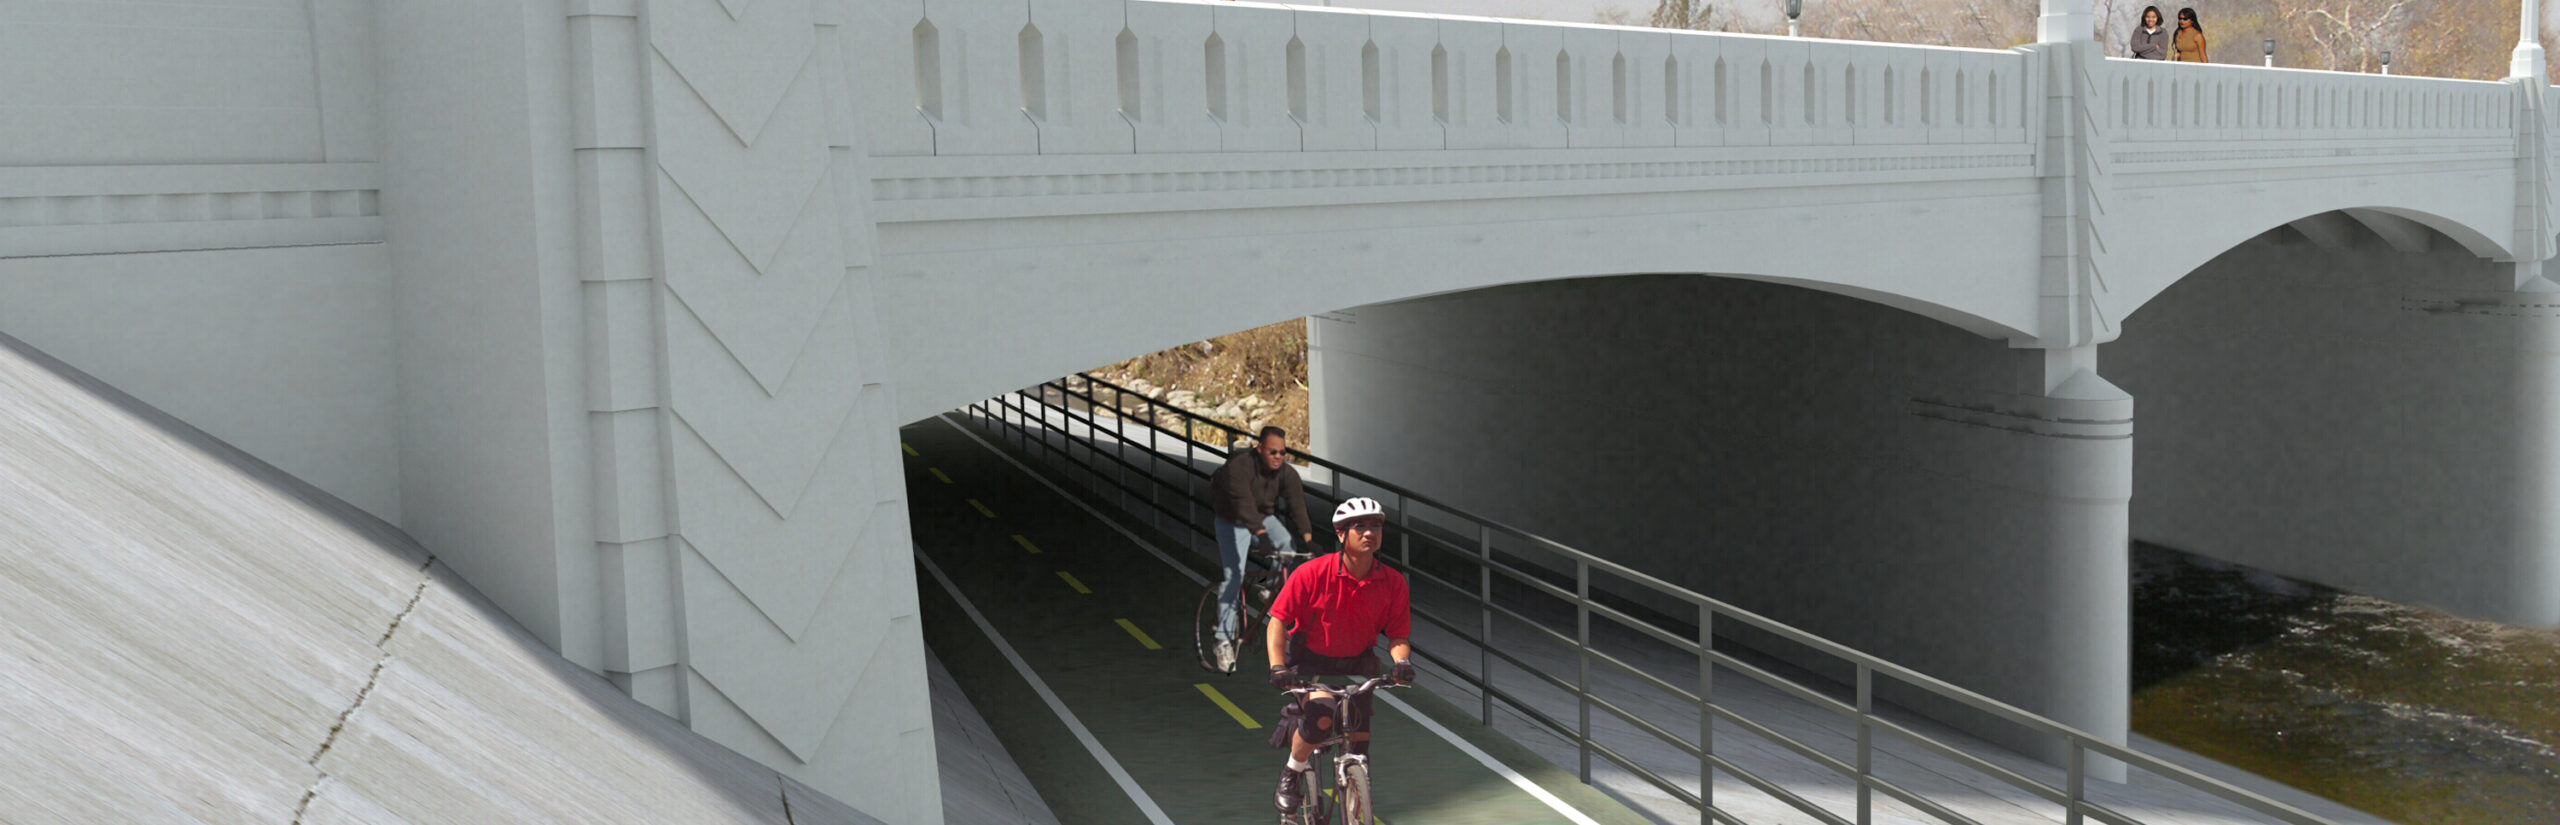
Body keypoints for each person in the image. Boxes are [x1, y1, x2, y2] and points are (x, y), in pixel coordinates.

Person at [1266, 497, 1414, 816]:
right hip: (1310, 661)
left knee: (1359, 738)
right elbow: (1278, 620)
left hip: (1358, 661)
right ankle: (1292, 771)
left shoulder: (1394, 582)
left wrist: (1402, 662)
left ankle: (1357, 797)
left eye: (1375, 526)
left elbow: (1399, 635)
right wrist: (1278, 666)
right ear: (1341, 534)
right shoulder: (1311, 574)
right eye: (1359, 527)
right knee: (1322, 715)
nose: (1369, 533)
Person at [1208, 426, 1314, 671]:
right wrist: (1261, 537)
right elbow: (1244, 507)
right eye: (1273, 452)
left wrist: (1308, 539)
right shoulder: (1240, 468)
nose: (1278, 457)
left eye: (1282, 453)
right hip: (1231, 520)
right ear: (1260, 450)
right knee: (1233, 577)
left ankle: (1269, 588)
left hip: (1263, 518)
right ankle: (1223, 641)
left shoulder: (1285, 473)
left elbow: (1297, 504)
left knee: (1288, 546)